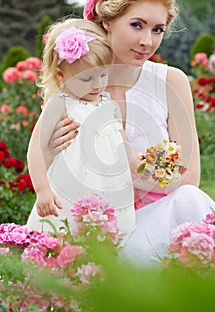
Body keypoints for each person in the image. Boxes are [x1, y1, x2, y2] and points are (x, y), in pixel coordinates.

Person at [44, 0, 215, 266]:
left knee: (190, 199)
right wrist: (52, 151)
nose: (146, 41)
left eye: (157, 29)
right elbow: (57, 175)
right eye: (137, 25)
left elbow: (188, 177)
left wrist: (132, 167)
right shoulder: (75, 84)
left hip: (159, 220)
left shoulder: (171, 82)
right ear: (107, 22)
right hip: (96, 231)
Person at [26, 17, 137, 246]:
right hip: (71, 184)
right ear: (60, 74)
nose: (97, 85)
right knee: (66, 234)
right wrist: (42, 190)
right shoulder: (61, 103)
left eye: (103, 75)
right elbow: (35, 149)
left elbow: (121, 143)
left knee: (106, 237)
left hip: (108, 184)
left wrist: (139, 165)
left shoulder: (108, 104)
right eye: (86, 78)